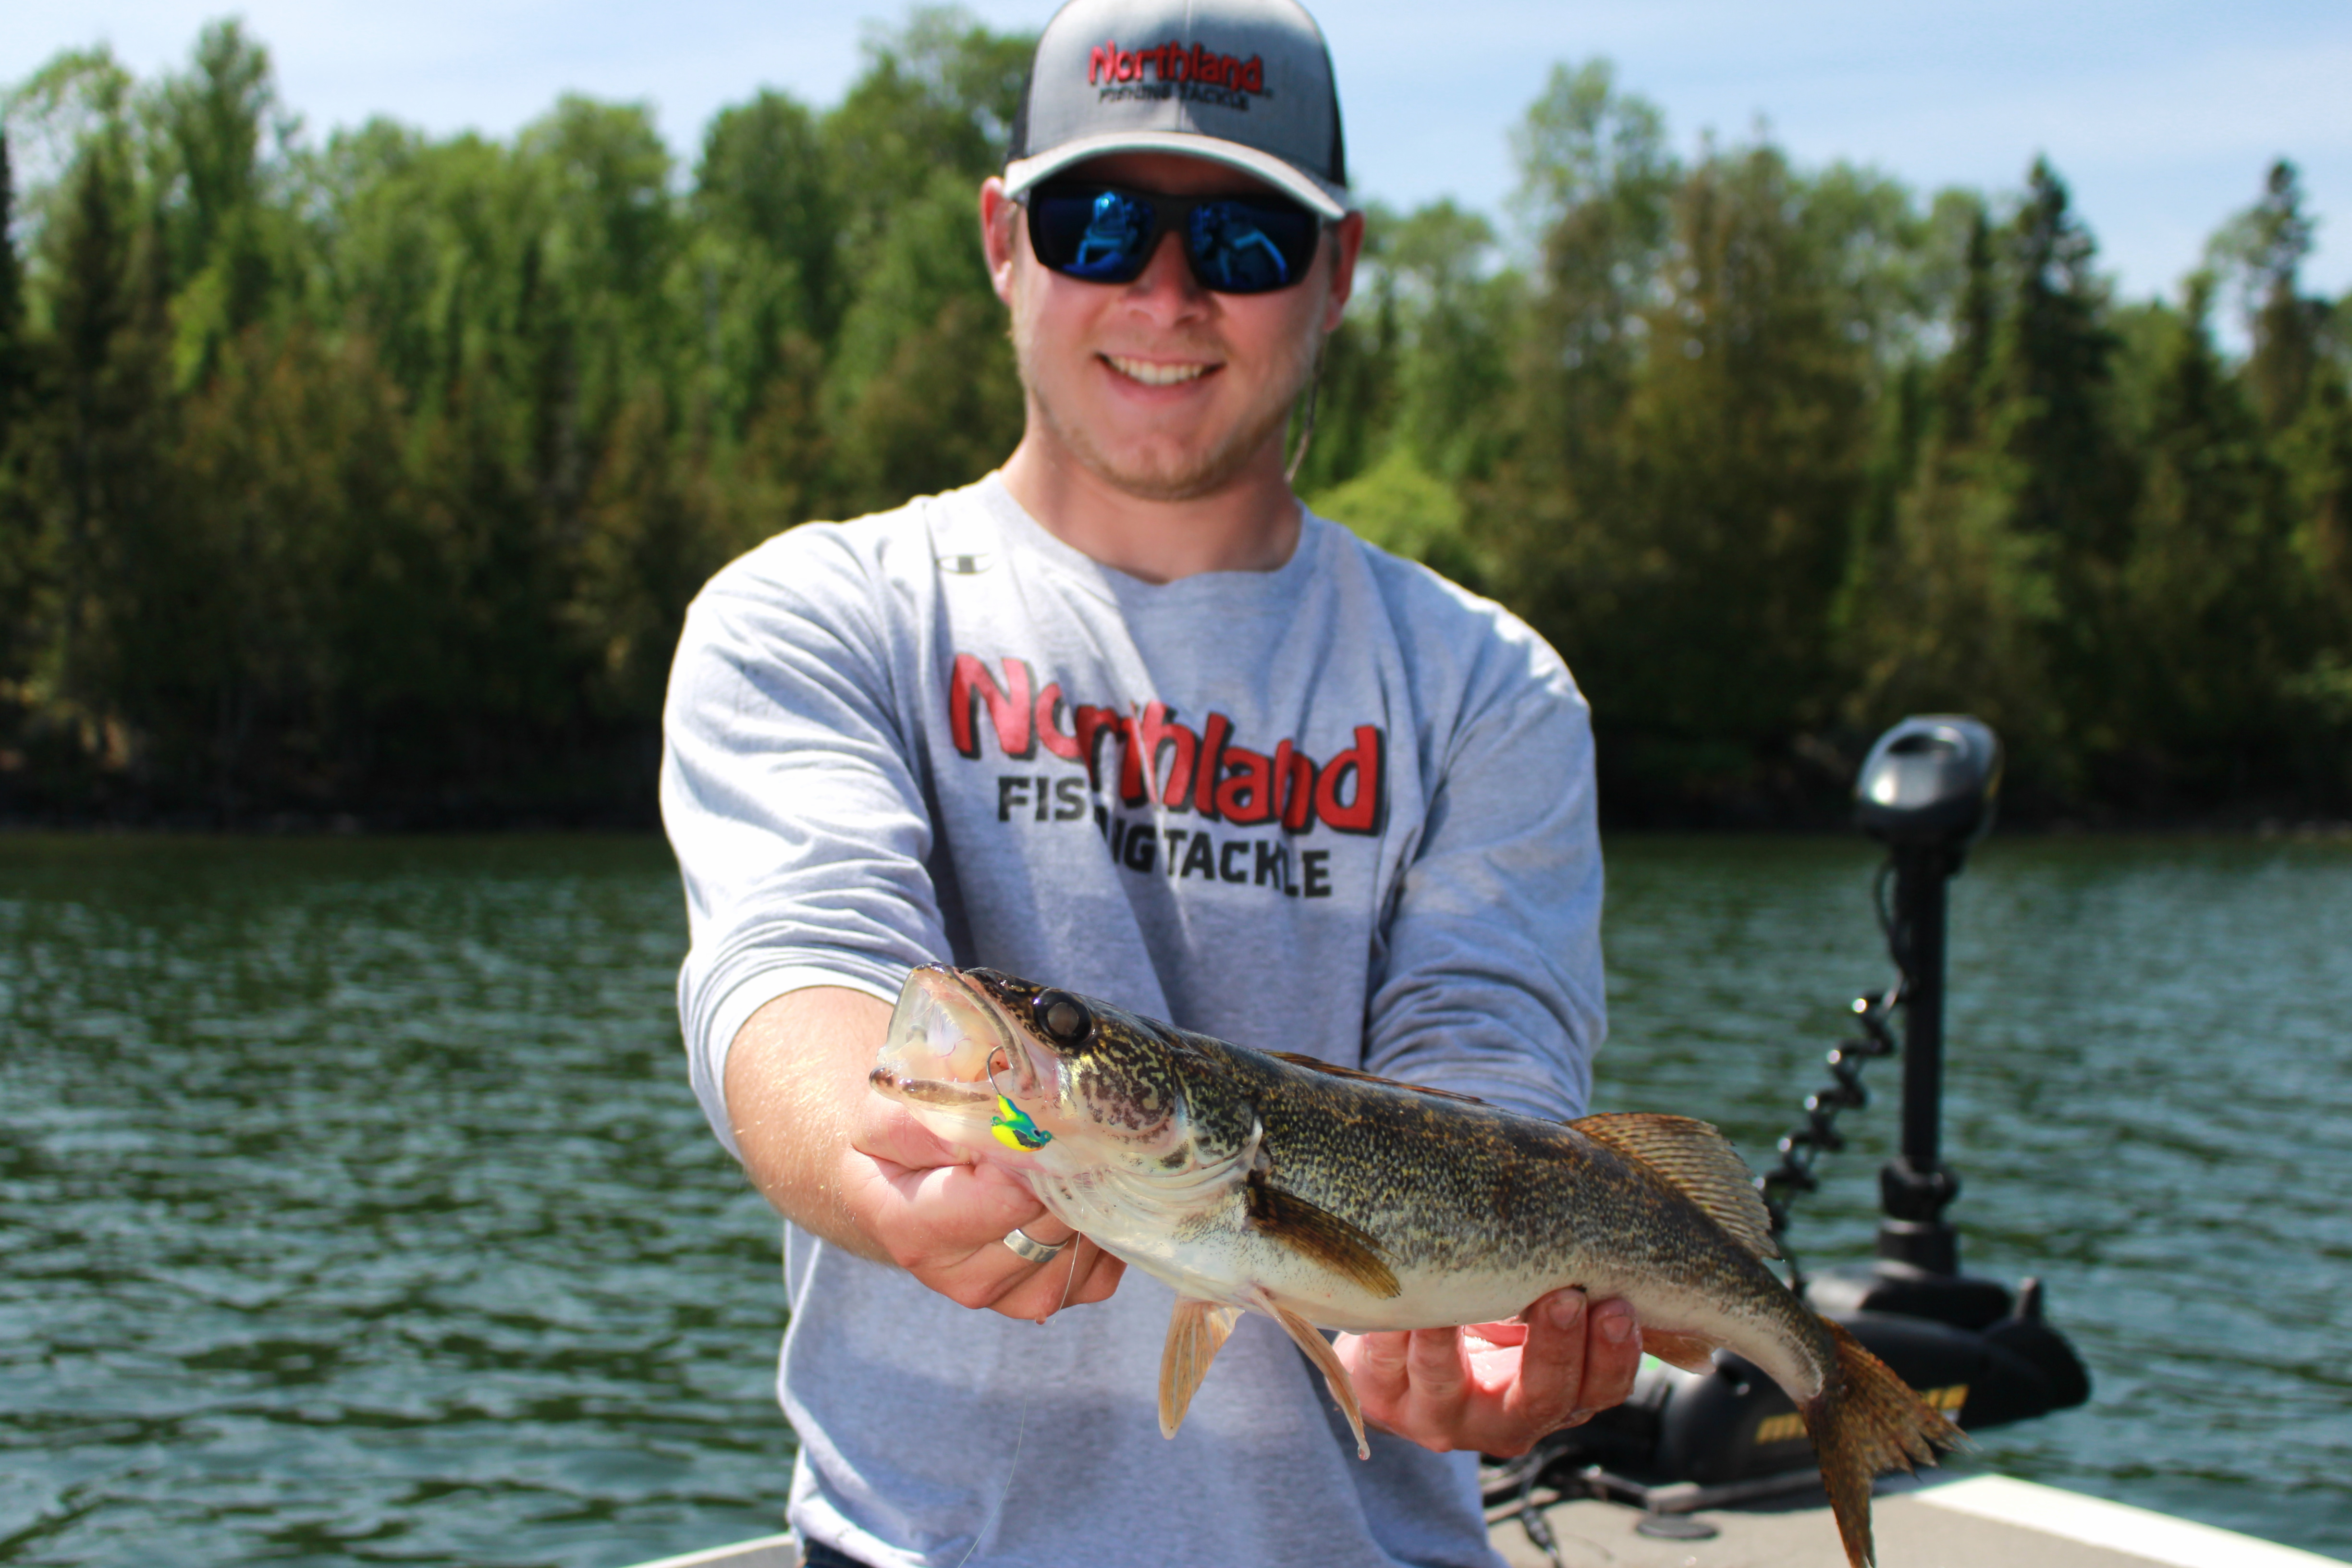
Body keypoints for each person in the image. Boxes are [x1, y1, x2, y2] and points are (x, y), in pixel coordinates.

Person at [661, 0, 1639, 1562]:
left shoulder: (1486, 687)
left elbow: (1488, 1071)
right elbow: (795, 968)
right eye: (1099, 224)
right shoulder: (819, 615)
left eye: (1243, 238)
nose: (1166, 293)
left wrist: (1483, 1328)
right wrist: (880, 1157)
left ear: (1338, 270)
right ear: (1004, 237)